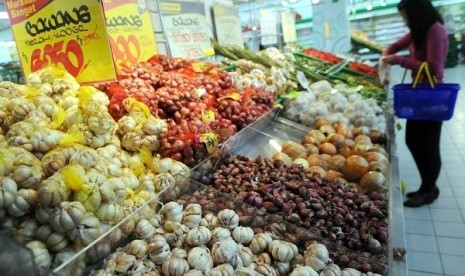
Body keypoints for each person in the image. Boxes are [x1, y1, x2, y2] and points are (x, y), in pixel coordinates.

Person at [381, 0, 448, 207]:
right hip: (419, 95)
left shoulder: (435, 30)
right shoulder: (420, 30)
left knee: (428, 145)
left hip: (432, 97)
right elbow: (397, 45)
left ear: (417, 13)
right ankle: (427, 186)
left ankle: (428, 190)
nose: (406, 22)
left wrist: (398, 61)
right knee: (414, 140)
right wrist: (388, 51)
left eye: (407, 17)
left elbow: (434, 68)